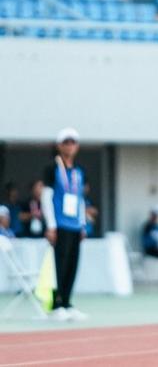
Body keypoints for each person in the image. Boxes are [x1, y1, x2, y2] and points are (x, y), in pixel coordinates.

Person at [41, 128, 89, 321]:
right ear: (59, 146)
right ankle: (56, 304)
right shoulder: (52, 168)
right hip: (59, 224)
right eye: (66, 142)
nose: (70, 146)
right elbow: (46, 197)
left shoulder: (79, 171)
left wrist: (83, 223)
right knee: (59, 265)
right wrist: (51, 225)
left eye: (73, 142)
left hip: (75, 225)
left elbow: (80, 198)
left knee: (72, 265)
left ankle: (68, 302)